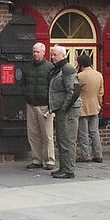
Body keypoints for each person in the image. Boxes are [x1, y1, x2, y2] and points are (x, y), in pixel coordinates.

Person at [47, 45, 82, 179]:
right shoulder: (58, 69)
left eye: (55, 54)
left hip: (68, 110)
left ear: (63, 55)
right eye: (52, 54)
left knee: (67, 139)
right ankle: (63, 167)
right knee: (62, 139)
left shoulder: (67, 69)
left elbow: (73, 90)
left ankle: (68, 170)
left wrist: (64, 108)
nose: (53, 57)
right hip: (62, 109)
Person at [21, 42, 55, 171]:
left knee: (47, 135)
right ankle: (36, 160)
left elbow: (53, 86)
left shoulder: (50, 67)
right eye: (34, 51)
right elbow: (23, 83)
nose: (35, 54)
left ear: (43, 53)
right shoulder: (27, 67)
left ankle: (49, 160)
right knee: (33, 134)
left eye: (37, 52)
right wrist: (26, 94)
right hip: (31, 104)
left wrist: (51, 104)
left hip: (45, 105)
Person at [76, 53, 104, 163]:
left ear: (81, 64)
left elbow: (75, 91)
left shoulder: (80, 76)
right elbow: (100, 92)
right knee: (94, 132)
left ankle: (85, 155)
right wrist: (99, 104)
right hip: (95, 106)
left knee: (83, 134)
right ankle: (98, 154)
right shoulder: (99, 75)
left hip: (82, 107)